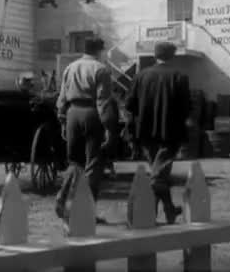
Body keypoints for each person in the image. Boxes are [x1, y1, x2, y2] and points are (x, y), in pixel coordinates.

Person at [125, 41, 191, 224]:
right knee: (158, 176)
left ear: (155, 55)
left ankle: (169, 209)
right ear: (173, 55)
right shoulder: (179, 76)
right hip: (170, 133)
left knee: (159, 172)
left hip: (145, 133)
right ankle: (146, 213)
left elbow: (129, 104)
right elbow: (186, 107)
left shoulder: (141, 76)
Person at [55, 38, 115, 225]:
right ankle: (86, 211)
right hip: (91, 114)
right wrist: (108, 127)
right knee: (93, 165)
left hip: (72, 113)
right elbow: (103, 101)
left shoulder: (70, 68)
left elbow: (62, 97)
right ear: (99, 51)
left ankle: (63, 196)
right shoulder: (101, 69)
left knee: (74, 161)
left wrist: (63, 121)